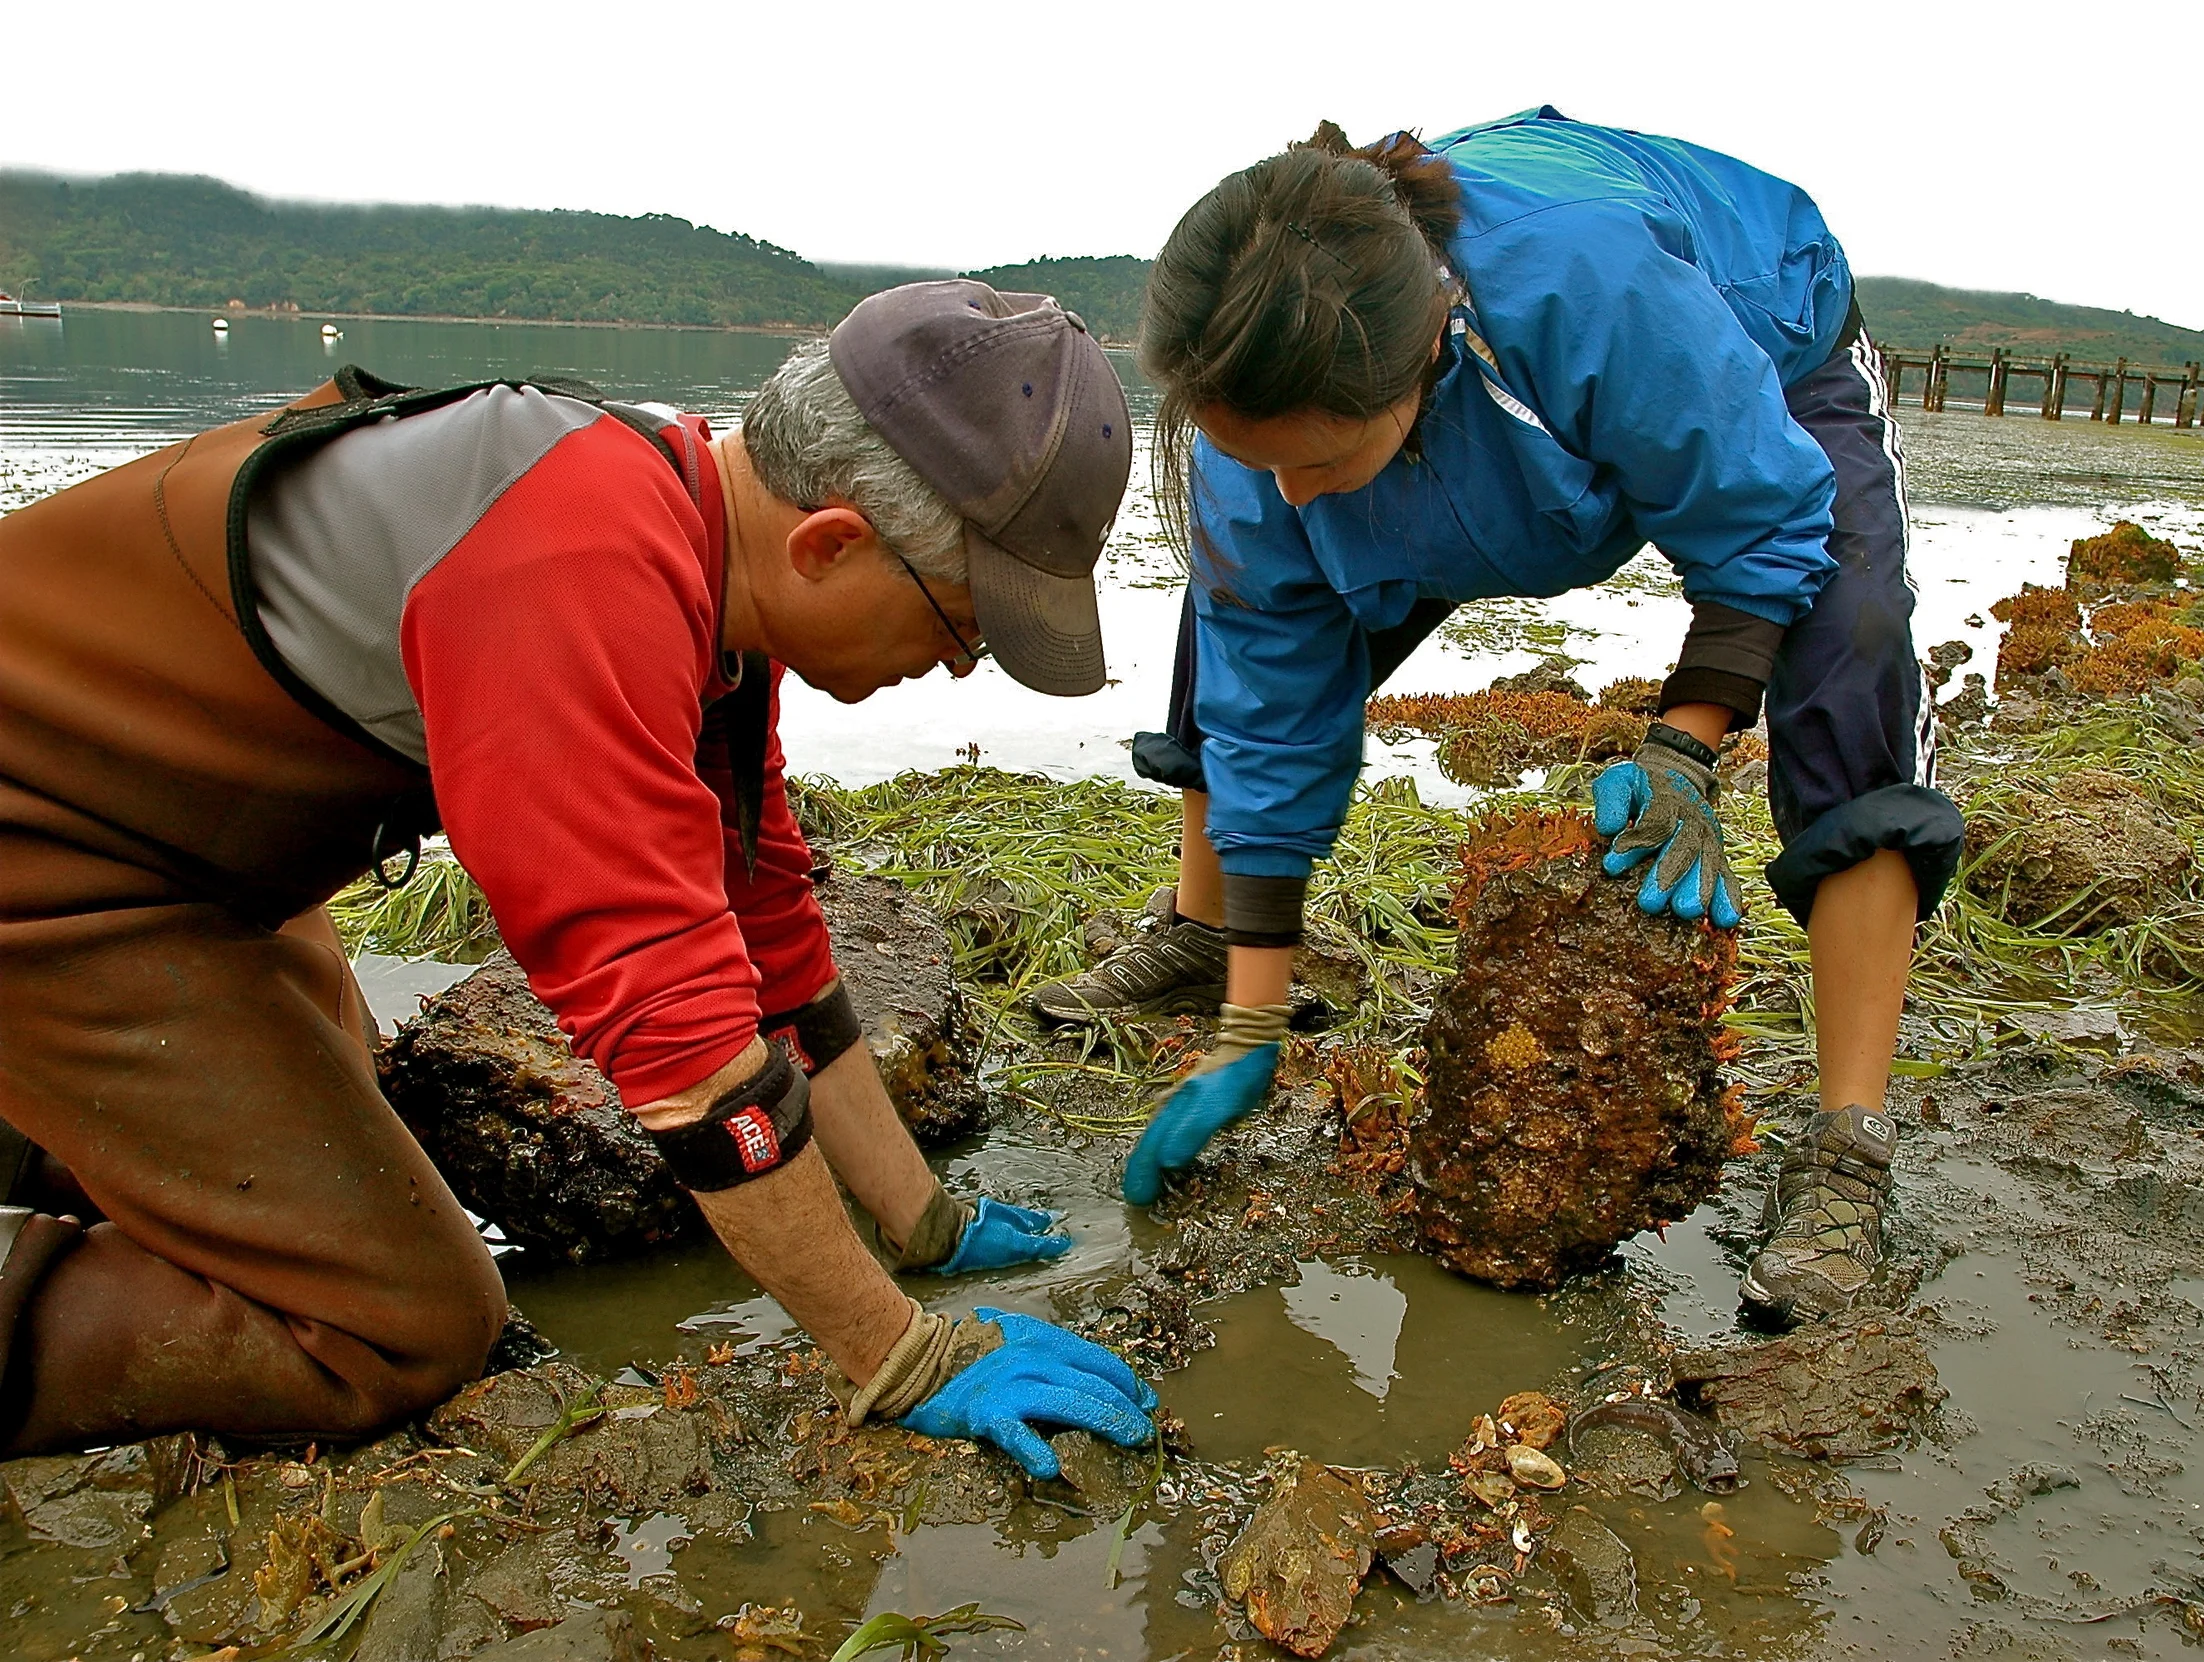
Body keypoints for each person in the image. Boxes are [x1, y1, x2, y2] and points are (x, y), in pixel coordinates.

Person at [0, 280, 1154, 1478]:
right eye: (963, 628)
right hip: (55, 873)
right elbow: (679, 1040)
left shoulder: (699, 548)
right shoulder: (575, 558)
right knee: (403, 1321)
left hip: (209, 876)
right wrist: (901, 1355)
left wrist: (923, 1221)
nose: (960, 670)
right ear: (830, 544)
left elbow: (767, 928)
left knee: (339, 1161)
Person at [1034, 110, 1963, 1325]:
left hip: (1761, 344)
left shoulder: (1589, 287)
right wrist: (1253, 1019)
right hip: (1458, 418)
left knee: (1853, 647)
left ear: (1417, 361)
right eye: (1257, 461)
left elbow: (1764, 515)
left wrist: (1681, 748)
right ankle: (1208, 936)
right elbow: (1269, 704)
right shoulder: (1255, 446)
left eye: (1317, 464)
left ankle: (1848, 1147)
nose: (1289, 496)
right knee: (1228, 625)